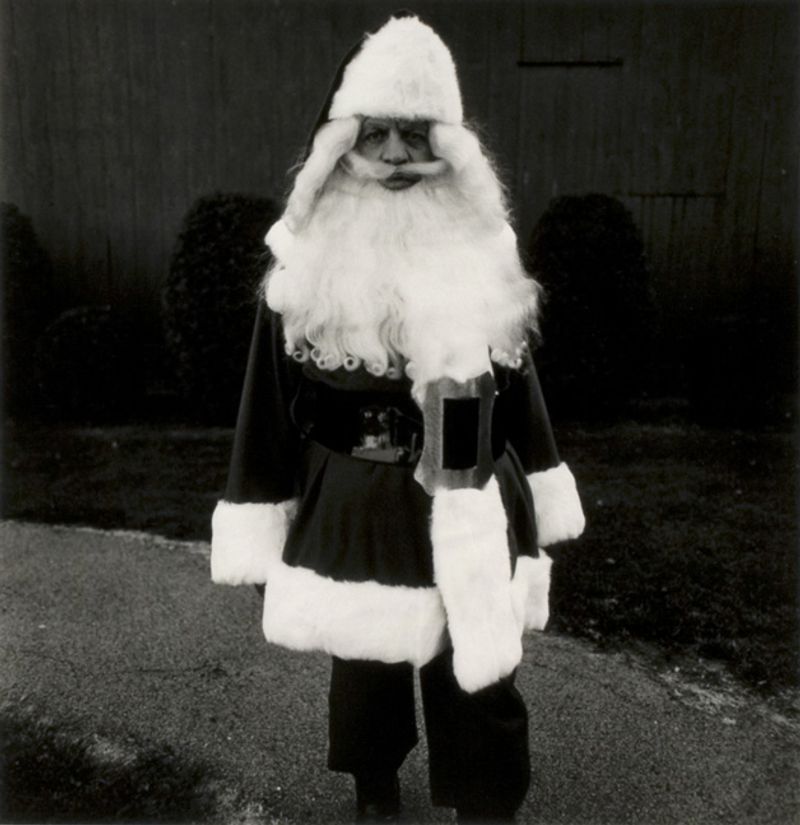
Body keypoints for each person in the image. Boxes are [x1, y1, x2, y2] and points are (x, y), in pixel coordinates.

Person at [210, 14, 585, 824]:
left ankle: (487, 800)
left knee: (476, 665)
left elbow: (520, 382)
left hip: (473, 488)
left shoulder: (485, 247)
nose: (391, 158)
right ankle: (373, 785)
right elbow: (265, 399)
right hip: (355, 492)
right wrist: (258, 508)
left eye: (413, 135)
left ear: (450, 145)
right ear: (339, 144)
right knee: (367, 661)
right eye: (373, 134)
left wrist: (545, 481)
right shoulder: (305, 257)